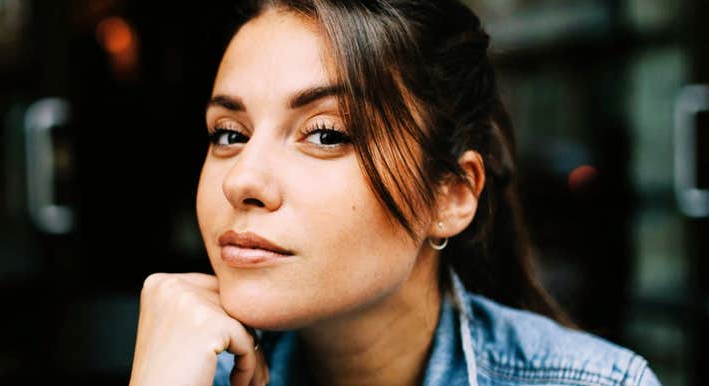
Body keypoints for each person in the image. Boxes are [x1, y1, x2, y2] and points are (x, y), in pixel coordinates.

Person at [128, 1, 662, 385]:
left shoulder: (593, 381)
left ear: (450, 194)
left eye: (325, 134)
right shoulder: (191, 371)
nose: (241, 179)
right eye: (229, 134)